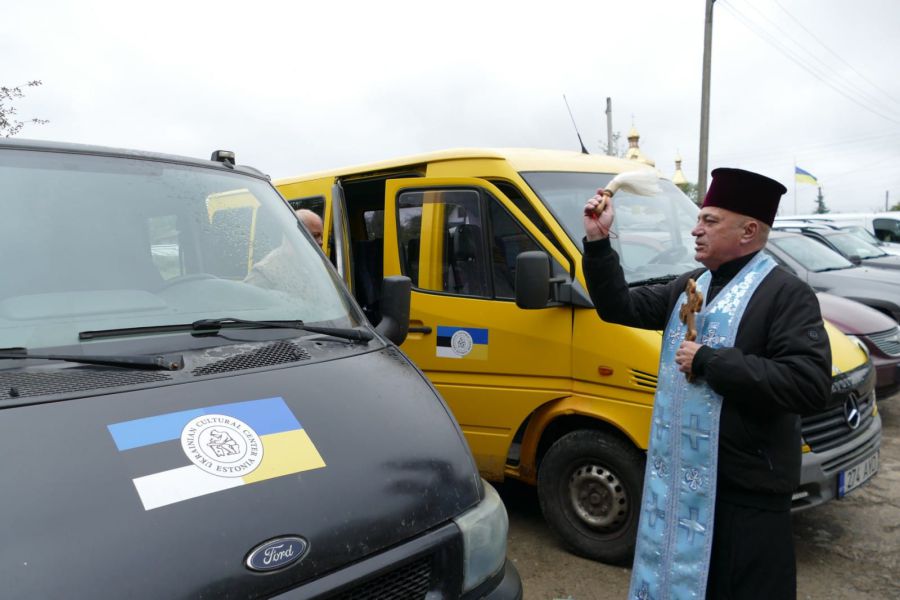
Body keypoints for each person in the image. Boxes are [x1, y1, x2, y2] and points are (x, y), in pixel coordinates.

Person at [581, 168, 831, 600]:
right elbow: (616, 306)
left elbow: (808, 384)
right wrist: (599, 243)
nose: (695, 230)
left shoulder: (785, 294)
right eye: (699, 219)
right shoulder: (691, 286)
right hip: (683, 489)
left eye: (710, 221)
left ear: (749, 230)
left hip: (746, 498)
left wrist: (713, 361)